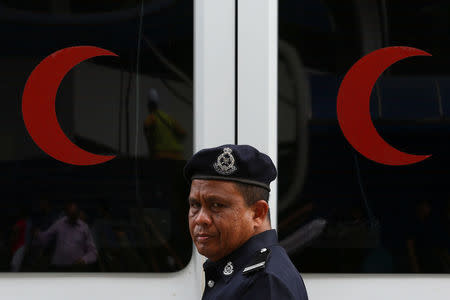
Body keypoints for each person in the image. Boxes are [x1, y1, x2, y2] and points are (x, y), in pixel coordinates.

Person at [184, 144, 308, 299]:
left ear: (258, 213)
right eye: (195, 205)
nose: (201, 218)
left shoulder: (264, 282)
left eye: (217, 205)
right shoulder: (242, 274)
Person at [34, 202, 97, 271]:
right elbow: (45, 237)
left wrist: (84, 260)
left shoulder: (84, 227)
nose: (72, 217)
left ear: (78, 214)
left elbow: (93, 251)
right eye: (70, 214)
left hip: (77, 268)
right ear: (66, 214)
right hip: (58, 267)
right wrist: (38, 234)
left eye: (74, 214)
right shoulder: (59, 223)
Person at [143, 88, 186, 160]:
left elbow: (147, 132)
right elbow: (183, 133)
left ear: (149, 105)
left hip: (161, 156)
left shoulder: (151, 118)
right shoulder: (168, 118)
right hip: (177, 156)